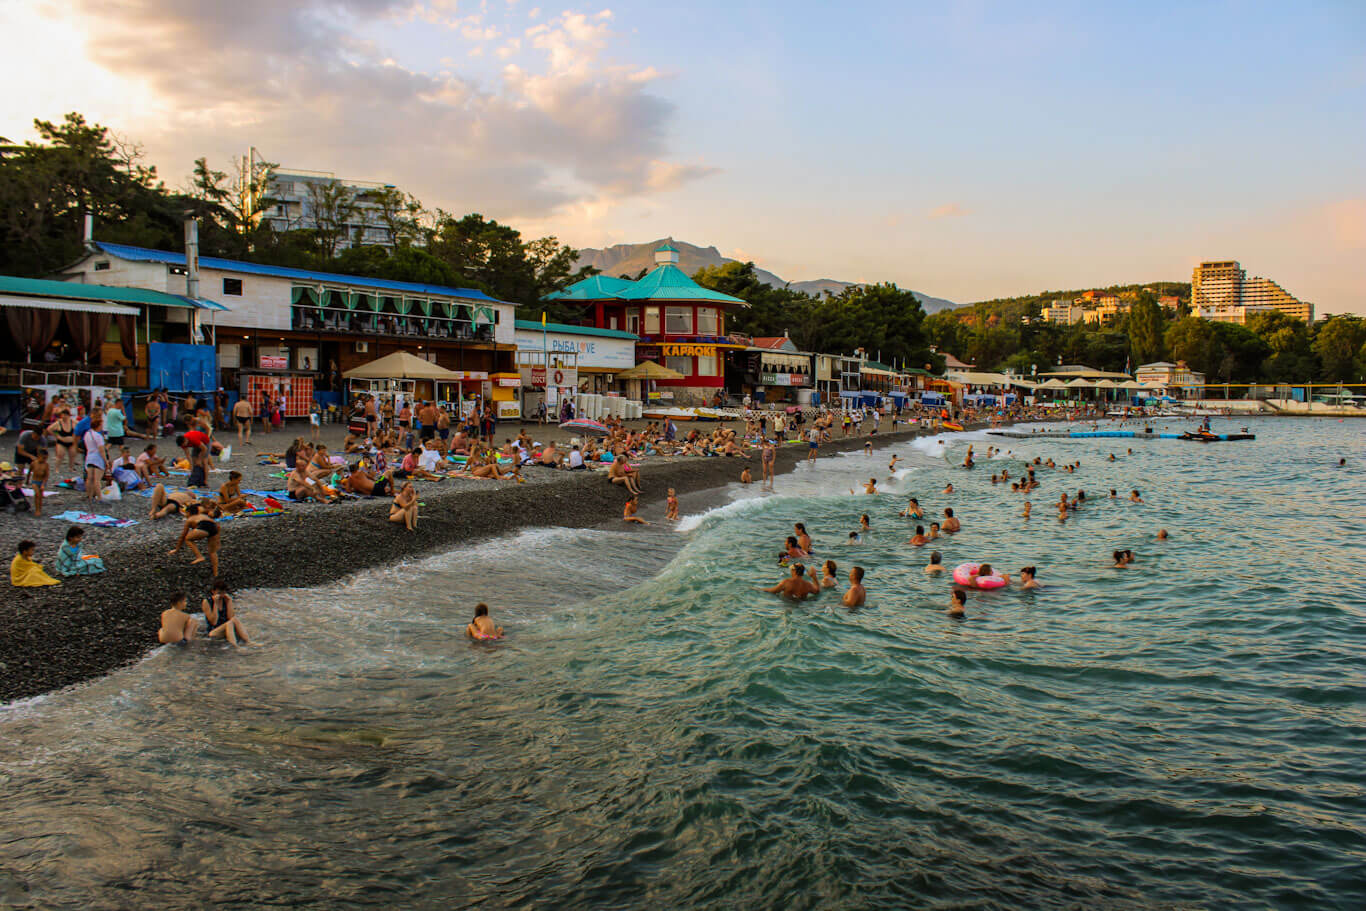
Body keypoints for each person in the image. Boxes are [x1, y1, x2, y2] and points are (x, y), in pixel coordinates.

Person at [170, 503, 221, 576]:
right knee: (212, 552)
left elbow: (183, 536)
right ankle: (216, 573)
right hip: (214, 527)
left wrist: (177, 549)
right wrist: (217, 540)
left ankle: (199, 556)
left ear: (189, 513)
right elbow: (217, 526)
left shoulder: (190, 519)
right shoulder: (204, 516)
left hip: (203, 526)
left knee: (188, 539)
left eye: (186, 513)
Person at [204, 580, 251, 645]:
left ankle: (248, 641)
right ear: (213, 591)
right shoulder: (207, 602)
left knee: (234, 619)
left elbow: (230, 617)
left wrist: (229, 602)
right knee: (229, 623)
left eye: (223, 593)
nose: (221, 595)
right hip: (213, 632)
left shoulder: (225, 600)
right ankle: (234, 646)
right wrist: (215, 603)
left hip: (228, 628)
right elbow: (213, 622)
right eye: (219, 593)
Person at [83, 414, 109, 503]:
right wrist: (106, 461)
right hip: (97, 458)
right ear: (98, 425)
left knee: (89, 478)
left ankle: (89, 496)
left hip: (89, 457)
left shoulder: (87, 434)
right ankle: (99, 497)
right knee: (97, 479)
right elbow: (101, 450)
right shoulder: (99, 436)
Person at [27, 447, 49, 517]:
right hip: (34, 481)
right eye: (43, 458)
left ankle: (40, 509)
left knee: (40, 497)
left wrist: (43, 484)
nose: (45, 460)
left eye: (46, 458)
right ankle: (37, 510)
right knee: (37, 495)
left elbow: (46, 476)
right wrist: (27, 480)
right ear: (38, 456)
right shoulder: (33, 463)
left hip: (41, 481)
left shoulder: (46, 465)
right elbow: (29, 472)